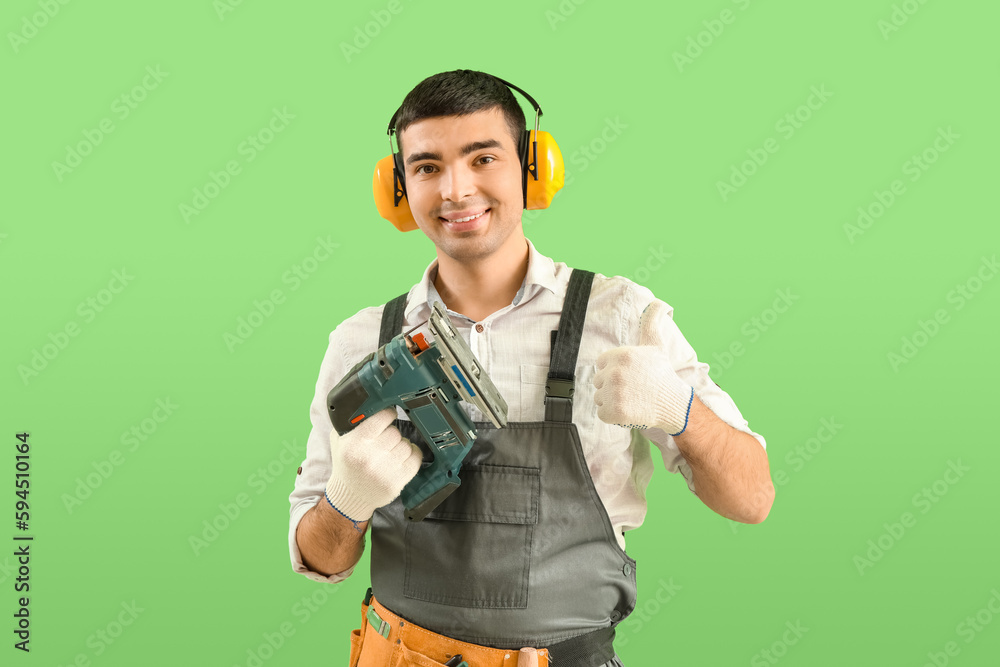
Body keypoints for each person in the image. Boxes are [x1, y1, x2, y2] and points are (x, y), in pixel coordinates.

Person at [288, 69, 774, 667]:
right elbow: (320, 559)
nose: (456, 191)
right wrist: (345, 500)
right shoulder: (361, 341)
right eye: (427, 167)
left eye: (483, 158)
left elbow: (752, 499)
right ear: (398, 188)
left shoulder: (619, 317)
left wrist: (680, 411)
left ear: (532, 169)